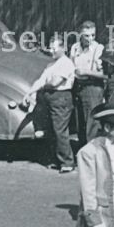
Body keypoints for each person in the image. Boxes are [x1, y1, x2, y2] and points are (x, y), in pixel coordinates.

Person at [23, 35, 76, 172]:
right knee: (51, 130)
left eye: (54, 48)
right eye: (50, 48)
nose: (51, 51)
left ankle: (67, 162)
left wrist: (42, 86)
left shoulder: (66, 63)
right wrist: (30, 92)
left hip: (61, 97)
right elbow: (41, 80)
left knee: (60, 130)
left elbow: (54, 82)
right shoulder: (51, 65)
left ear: (63, 48)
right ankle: (56, 160)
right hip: (50, 98)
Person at [71, 21, 106, 145]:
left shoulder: (98, 48)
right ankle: (82, 150)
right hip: (78, 87)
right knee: (80, 122)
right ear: (80, 34)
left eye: (93, 35)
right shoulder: (75, 48)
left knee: (92, 123)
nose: (90, 39)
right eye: (86, 35)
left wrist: (86, 72)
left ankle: (93, 150)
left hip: (93, 87)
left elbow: (105, 74)